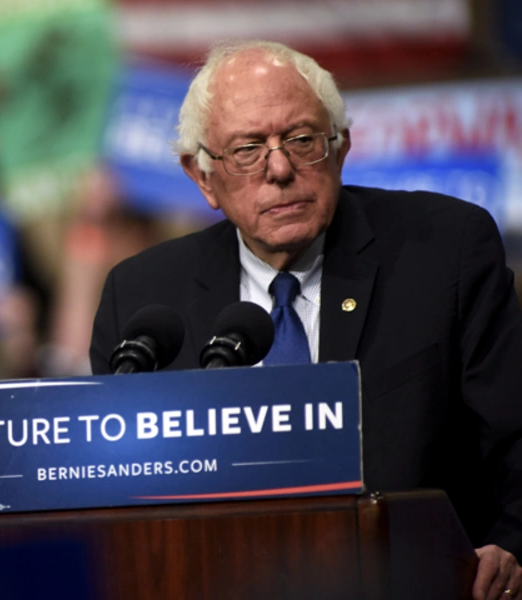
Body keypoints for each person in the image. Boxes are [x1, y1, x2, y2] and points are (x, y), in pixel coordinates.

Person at [89, 40, 522, 600]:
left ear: (340, 149)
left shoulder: (444, 251)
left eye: (301, 140)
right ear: (201, 177)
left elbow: (515, 441)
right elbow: (115, 491)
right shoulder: (143, 294)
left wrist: (512, 549)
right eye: (247, 149)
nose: (279, 168)